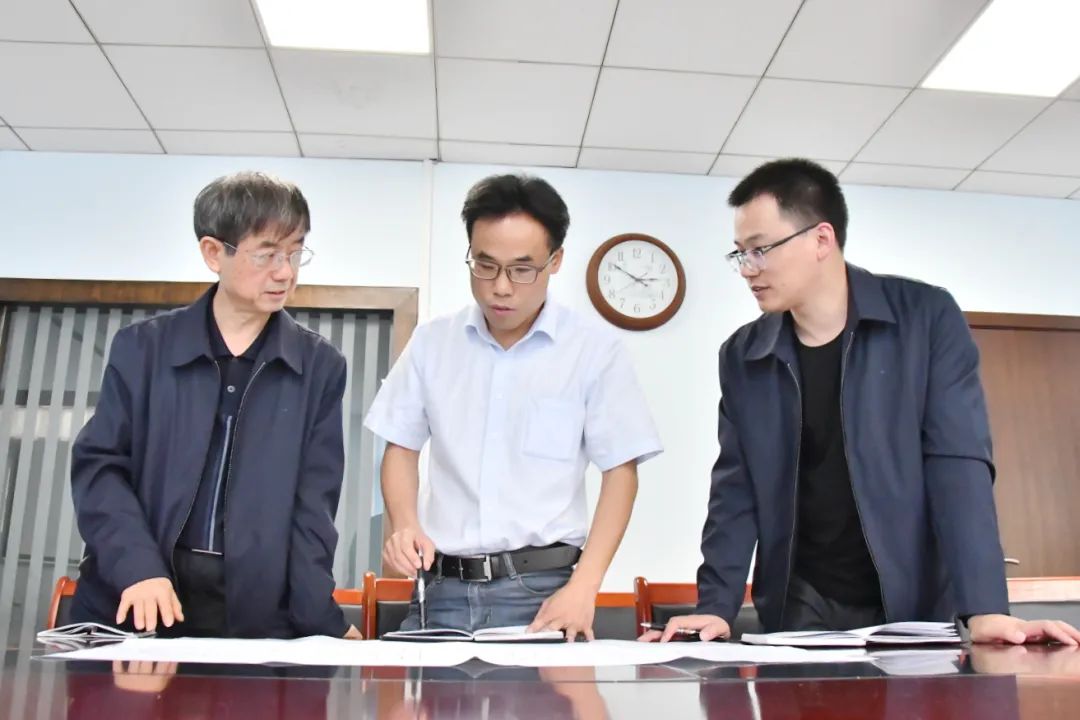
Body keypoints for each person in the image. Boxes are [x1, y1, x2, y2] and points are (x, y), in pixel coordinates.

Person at [642, 159, 1080, 646]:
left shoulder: (925, 319)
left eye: (760, 250)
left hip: (913, 600)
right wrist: (716, 605)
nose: (748, 269)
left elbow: (958, 465)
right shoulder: (744, 355)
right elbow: (736, 488)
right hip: (800, 602)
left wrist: (985, 608)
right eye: (740, 254)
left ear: (821, 239)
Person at [365, 173, 662, 640]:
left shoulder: (593, 351)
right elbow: (400, 446)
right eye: (485, 265)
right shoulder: (432, 344)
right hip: (440, 589)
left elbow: (620, 473)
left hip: (542, 592)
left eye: (522, 270)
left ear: (555, 261)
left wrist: (585, 587)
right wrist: (404, 524)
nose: (500, 287)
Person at [70, 171, 361, 639]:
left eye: (295, 252)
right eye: (267, 254)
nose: (285, 272)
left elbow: (314, 507)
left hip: (251, 613)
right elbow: (100, 468)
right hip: (136, 596)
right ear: (213, 252)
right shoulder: (143, 348)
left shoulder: (319, 366)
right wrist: (138, 568)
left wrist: (319, 622)